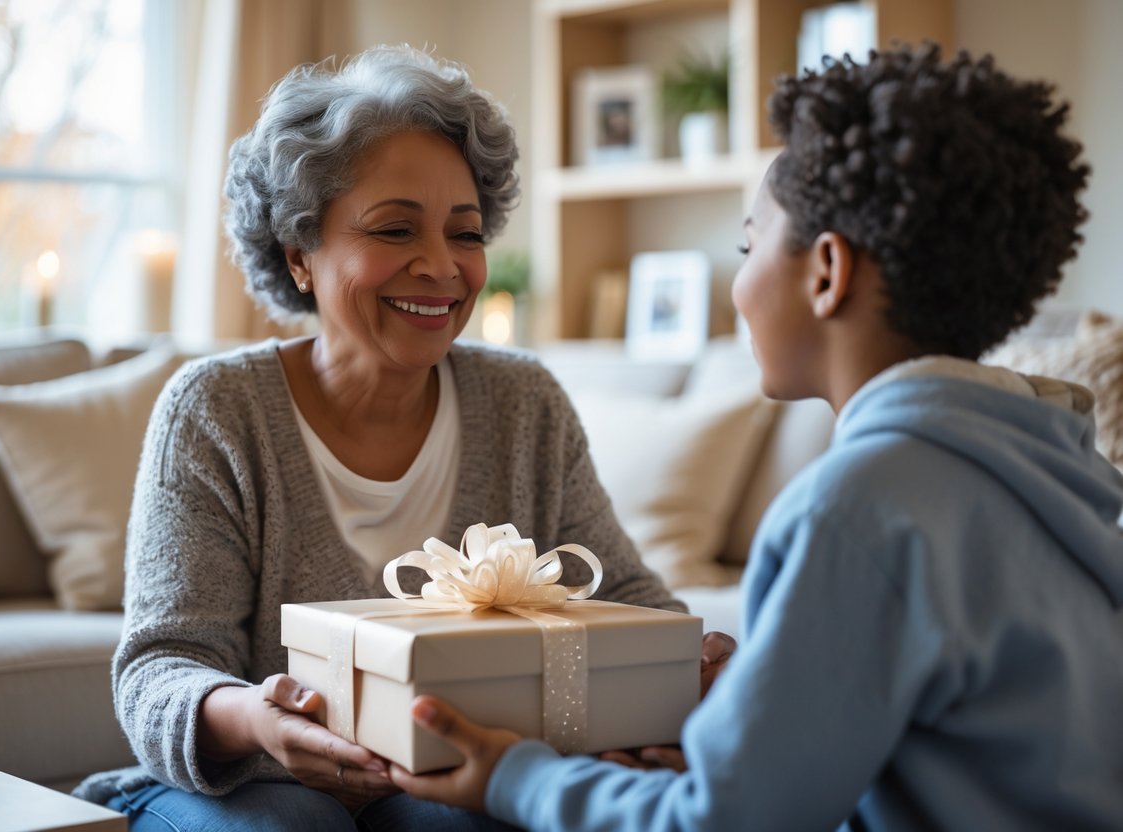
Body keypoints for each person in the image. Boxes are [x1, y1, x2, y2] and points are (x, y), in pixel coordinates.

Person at [387, 43, 1123, 831]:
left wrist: (516, 776)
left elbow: (723, 825)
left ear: (826, 272)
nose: (737, 288)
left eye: (747, 246)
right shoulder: (1052, 469)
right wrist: (725, 750)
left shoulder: (856, 508)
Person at [73, 44, 731, 831]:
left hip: (444, 778)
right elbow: (160, 669)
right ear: (300, 255)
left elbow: (623, 599)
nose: (440, 267)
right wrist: (259, 720)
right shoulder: (215, 411)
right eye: (393, 231)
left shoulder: (523, 404)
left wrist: (688, 664)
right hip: (249, 781)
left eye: (466, 233)